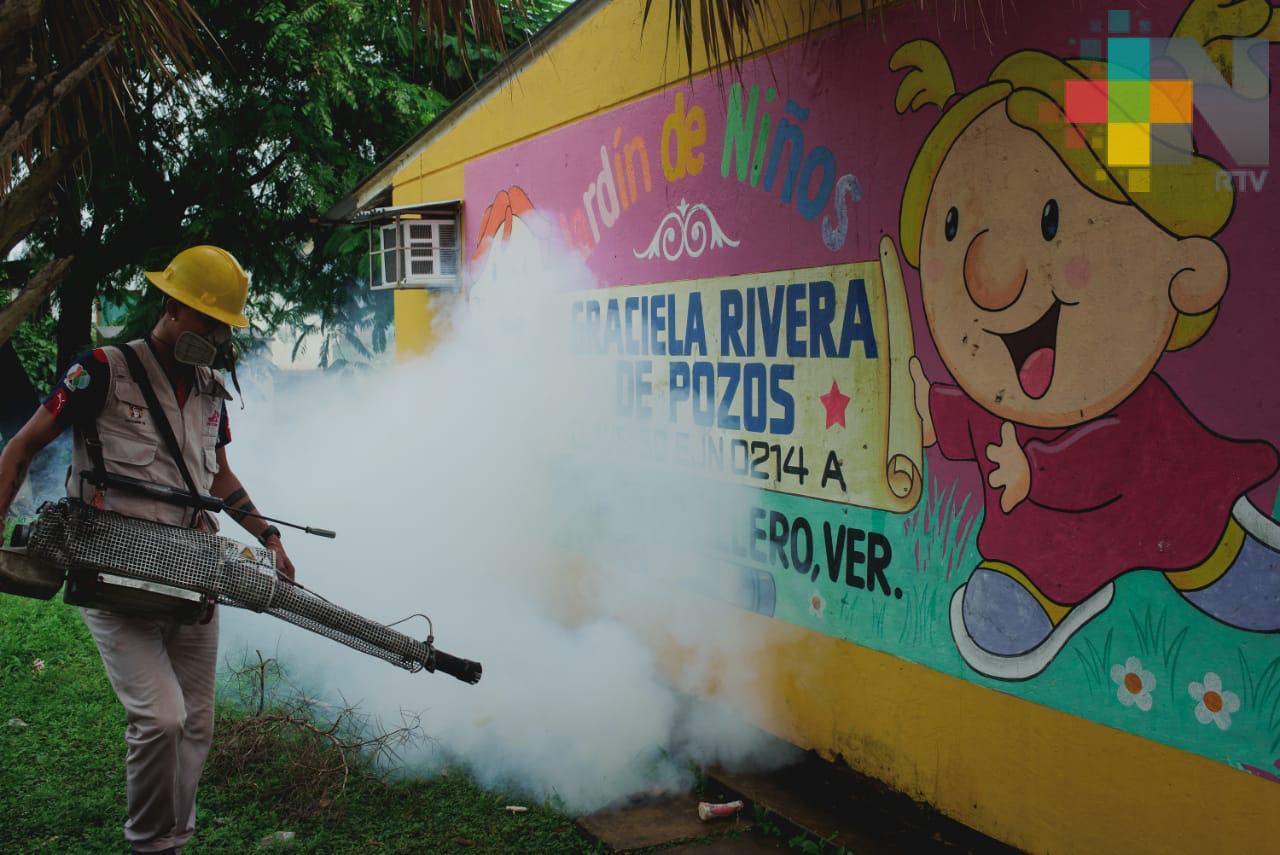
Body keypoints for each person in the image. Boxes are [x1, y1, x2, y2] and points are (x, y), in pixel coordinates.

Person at [891, 1, 1280, 681]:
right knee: (1011, 592)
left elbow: (1107, 456)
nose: (989, 276)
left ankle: (1224, 562)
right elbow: (968, 419)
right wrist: (929, 411)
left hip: (1163, 508)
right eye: (952, 227)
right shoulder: (1001, 395)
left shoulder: (1133, 414)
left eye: (1050, 219)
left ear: (1183, 274)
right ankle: (1036, 593)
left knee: (1209, 544)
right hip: (1046, 545)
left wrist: (1035, 471)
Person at [0, 245, 295, 854]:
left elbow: (216, 476)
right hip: (111, 578)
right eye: (206, 322)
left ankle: (174, 841)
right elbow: (21, 448)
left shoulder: (213, 390)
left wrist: (268, 535)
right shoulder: (100, 369)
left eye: (222, 328)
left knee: (198, 725)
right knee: (161, 718)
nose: (213, 338)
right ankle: (147, 844)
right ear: (172, 305)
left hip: (193, 577)